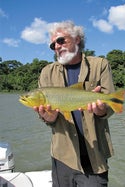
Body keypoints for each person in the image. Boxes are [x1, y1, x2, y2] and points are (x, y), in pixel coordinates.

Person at [34, 20, 115, 187]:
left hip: (95, 156)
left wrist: (101, 110)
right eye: (53, 44)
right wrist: (49, 118)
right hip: (62, 155)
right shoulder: (46, 72)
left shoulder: (100, 65)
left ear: (77, 39)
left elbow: (110, 105)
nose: (56, 46)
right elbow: (50, 120)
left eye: (61, 40)